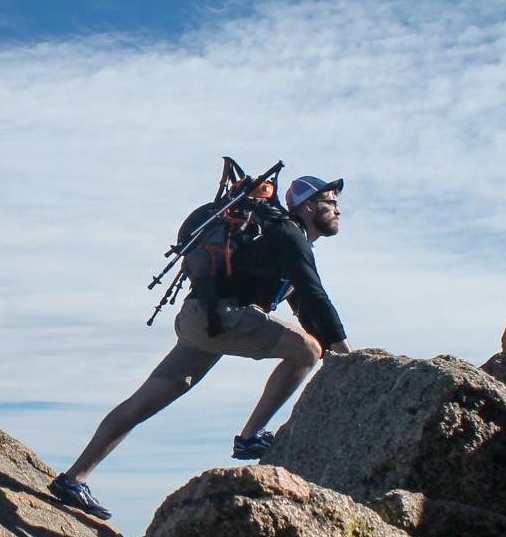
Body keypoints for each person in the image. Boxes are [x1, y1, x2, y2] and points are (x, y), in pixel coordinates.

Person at [50, 174, 353, 519]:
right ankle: (250, 437)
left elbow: (306, 307)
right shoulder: (288, 235)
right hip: (218, 318)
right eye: (332, 202)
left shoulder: (283, 238)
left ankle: (74, 479)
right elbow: (316, 296)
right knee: (306, 350)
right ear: (309, 206)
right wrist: (347, 357)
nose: (339, 210)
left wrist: (338, 352)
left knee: (142, 402)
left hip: (201, 318)